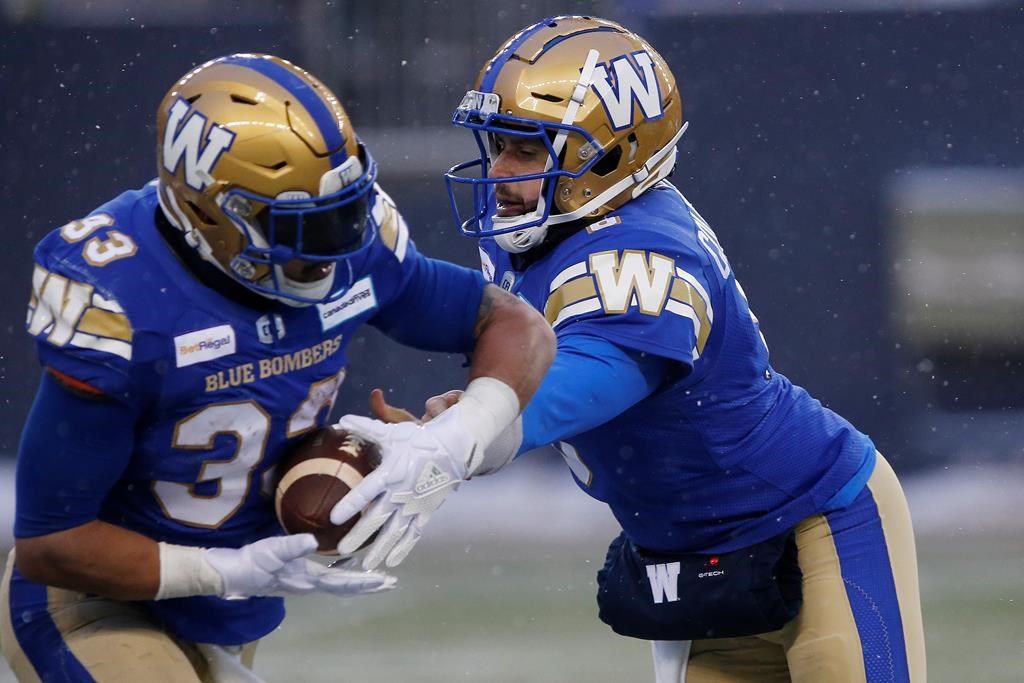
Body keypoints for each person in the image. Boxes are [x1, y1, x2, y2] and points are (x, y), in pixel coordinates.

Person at [329, 16, 927, 683]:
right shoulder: (529, 232)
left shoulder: (645, 249)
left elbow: (593, 378)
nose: (498, 170)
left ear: (610, 156)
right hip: (703, 567)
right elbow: (526, 382)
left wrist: (463, 434)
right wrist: (452, 429)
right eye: (497, 143)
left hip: (817, 523)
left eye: (525, 151)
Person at [1, 53, 554, 682]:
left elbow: (514, 324)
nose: (338, 246)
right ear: (210, 213)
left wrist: (454, 441)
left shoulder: (351, 248)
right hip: (97, 600)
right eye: (305, 225)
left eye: (345, 211)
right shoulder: (125, 300)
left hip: (234, 611)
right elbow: (53, 543)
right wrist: (224, 570)